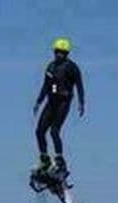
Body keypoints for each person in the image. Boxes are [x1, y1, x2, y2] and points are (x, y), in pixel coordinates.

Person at [33, 37, 85, 174]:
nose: (59, 55)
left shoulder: (71, 67)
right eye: (57, 52)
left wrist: (81, 102)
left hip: (63, 102)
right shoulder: (50, 66)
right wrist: (38, 102)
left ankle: (60, 160)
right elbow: (45, 85)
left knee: (54, 131)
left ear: (67, 54)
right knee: (39, 131)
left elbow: (79, 84)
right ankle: (45, 159)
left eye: (62, 52)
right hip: (51, 102)